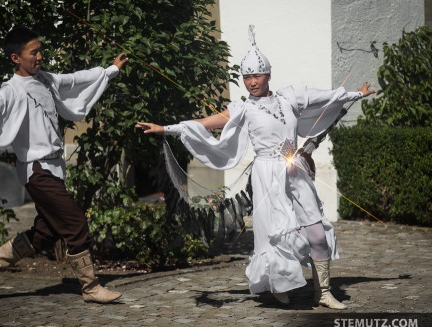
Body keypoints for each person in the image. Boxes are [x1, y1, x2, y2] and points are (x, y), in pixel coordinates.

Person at [136, 25, 374, 309]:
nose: (251, 82)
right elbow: (208, 122)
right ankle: (279, 282)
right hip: (267, 176)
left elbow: (326, 98)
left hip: (295, 170)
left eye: (257, 75)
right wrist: (167, 128)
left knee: (317, 232)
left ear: (268, 75)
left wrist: (355, 95)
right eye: (247, 77)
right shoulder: (243, 109)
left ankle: (322, 292)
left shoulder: (290, 97)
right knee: (275, 234)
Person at [0, 26, 129, 304]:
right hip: (37, 170)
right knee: (75, 225)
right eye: (33, 52)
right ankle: (90, 287)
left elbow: (74, 79)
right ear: (16, 58)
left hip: (52, 168)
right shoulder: (11, 89)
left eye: (40, 50)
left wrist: (110, 70)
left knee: (45, 232)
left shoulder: (45, 79)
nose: (40, 56)